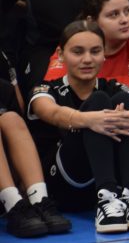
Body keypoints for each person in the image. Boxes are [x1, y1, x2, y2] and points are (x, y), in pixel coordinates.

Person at [27, 20, 129, 233]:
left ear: (104, 54)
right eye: (78, 52)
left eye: (95, 51)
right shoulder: (46, 89)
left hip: (106, 182)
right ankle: (106, 197)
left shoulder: (113, 87)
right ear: (61, 54)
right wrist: (90, 119)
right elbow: (52, 112)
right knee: (98, 101)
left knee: (123, 100)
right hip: (63, 185)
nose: (87, 59)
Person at [42, 0, 129, 93]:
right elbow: (49, 94)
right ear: (91, 21)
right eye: (114, 14)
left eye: (127, 11)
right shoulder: (72, 49)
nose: (125, 20)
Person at [0, 72, 72, 237]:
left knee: (11, 118)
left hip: (10, 183)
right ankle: (12, 205)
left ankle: (38, 200)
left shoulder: (4, 89)